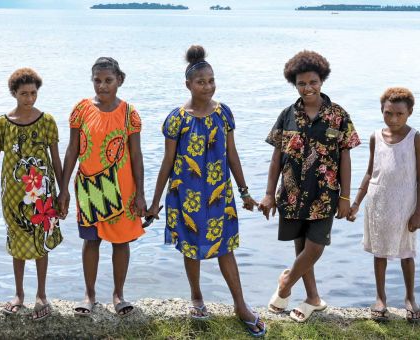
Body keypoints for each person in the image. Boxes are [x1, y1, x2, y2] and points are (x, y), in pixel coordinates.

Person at [146, 45, 266, 337]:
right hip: (185, 194)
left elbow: (232, 155)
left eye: (211, 80)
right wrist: (153, 203)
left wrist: (245, 191)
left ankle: (241, 305)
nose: (208, 86)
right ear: (188, 84)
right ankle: (197, 297)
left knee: (226, 248)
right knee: (191, 248)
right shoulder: (177, 118)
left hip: (218, 193)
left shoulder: (224, 114)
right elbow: (168, 162)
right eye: (201, 82)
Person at [259, 50, 361, 322]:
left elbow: (346, 157)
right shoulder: (286, 115)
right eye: (302, 83)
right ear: (295, 83)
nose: (308, 88)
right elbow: (276, 158)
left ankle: (285, 283)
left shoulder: (338, 115)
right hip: (291, 195)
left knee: (315, 247)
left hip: (325, 196)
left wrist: (346, 197)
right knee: (302, 248)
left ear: (322, 80)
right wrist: (269, 194)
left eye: (313, 82)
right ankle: (313, 298)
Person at [0, 68, 63, 321]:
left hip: (42, 193)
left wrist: (63, 193)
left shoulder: (47, 121)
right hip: (13, 194)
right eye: (23, 94)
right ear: (14, 94)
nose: (29, 98)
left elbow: (57, 161)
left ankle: (41, 294)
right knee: (16, 242)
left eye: (33, 93)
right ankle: (18, 293)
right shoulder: (2, 124)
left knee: (41, 241)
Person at [58, 57, 146, 317]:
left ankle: (118, 294)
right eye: (97, 80)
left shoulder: (129, 114)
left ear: (120, 80)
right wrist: (63, 188)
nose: (103, 86)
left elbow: (137, 155)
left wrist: (140, 193)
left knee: (121, 242)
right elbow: (72, 150)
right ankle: (90, 294)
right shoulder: (81, 110)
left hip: (122, 188)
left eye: (108, 80)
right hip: (89, 185)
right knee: (91, 240)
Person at [348, 87, 420, 323]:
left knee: (406, 252)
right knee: (379, 252)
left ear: (409, 112)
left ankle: (410, 297)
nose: (394, 119)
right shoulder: (375, 137)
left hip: (405, 204)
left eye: (399, 114)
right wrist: (356, 202)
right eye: (388, 113)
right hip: (378, 202)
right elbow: (370, 172)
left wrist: (419, 211)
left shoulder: (415, 138)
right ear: (382, 111)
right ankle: (380, 298)